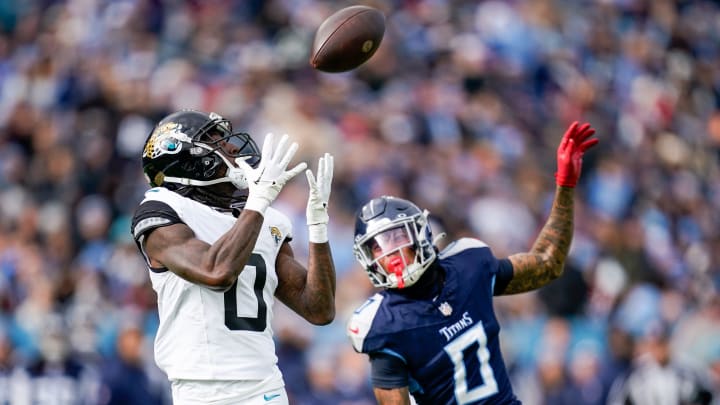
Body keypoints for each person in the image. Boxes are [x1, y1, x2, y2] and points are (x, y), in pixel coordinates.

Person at [346, 121, 599, 405]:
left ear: (420, 232)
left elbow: (548, 263)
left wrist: (565, 186)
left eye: (395, 238)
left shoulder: (468, 264)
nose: (387, 253)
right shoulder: (384, 324)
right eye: (376, 247)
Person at [130, 110, 336, 405]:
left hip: (265, 385)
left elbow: (319, 309)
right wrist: (259, 202)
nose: (232, 148)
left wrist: (318, 229)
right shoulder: (162, 209)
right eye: (215, 141)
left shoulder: (263, 219)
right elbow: (216, 272)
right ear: (188, 159)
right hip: (201, 391)